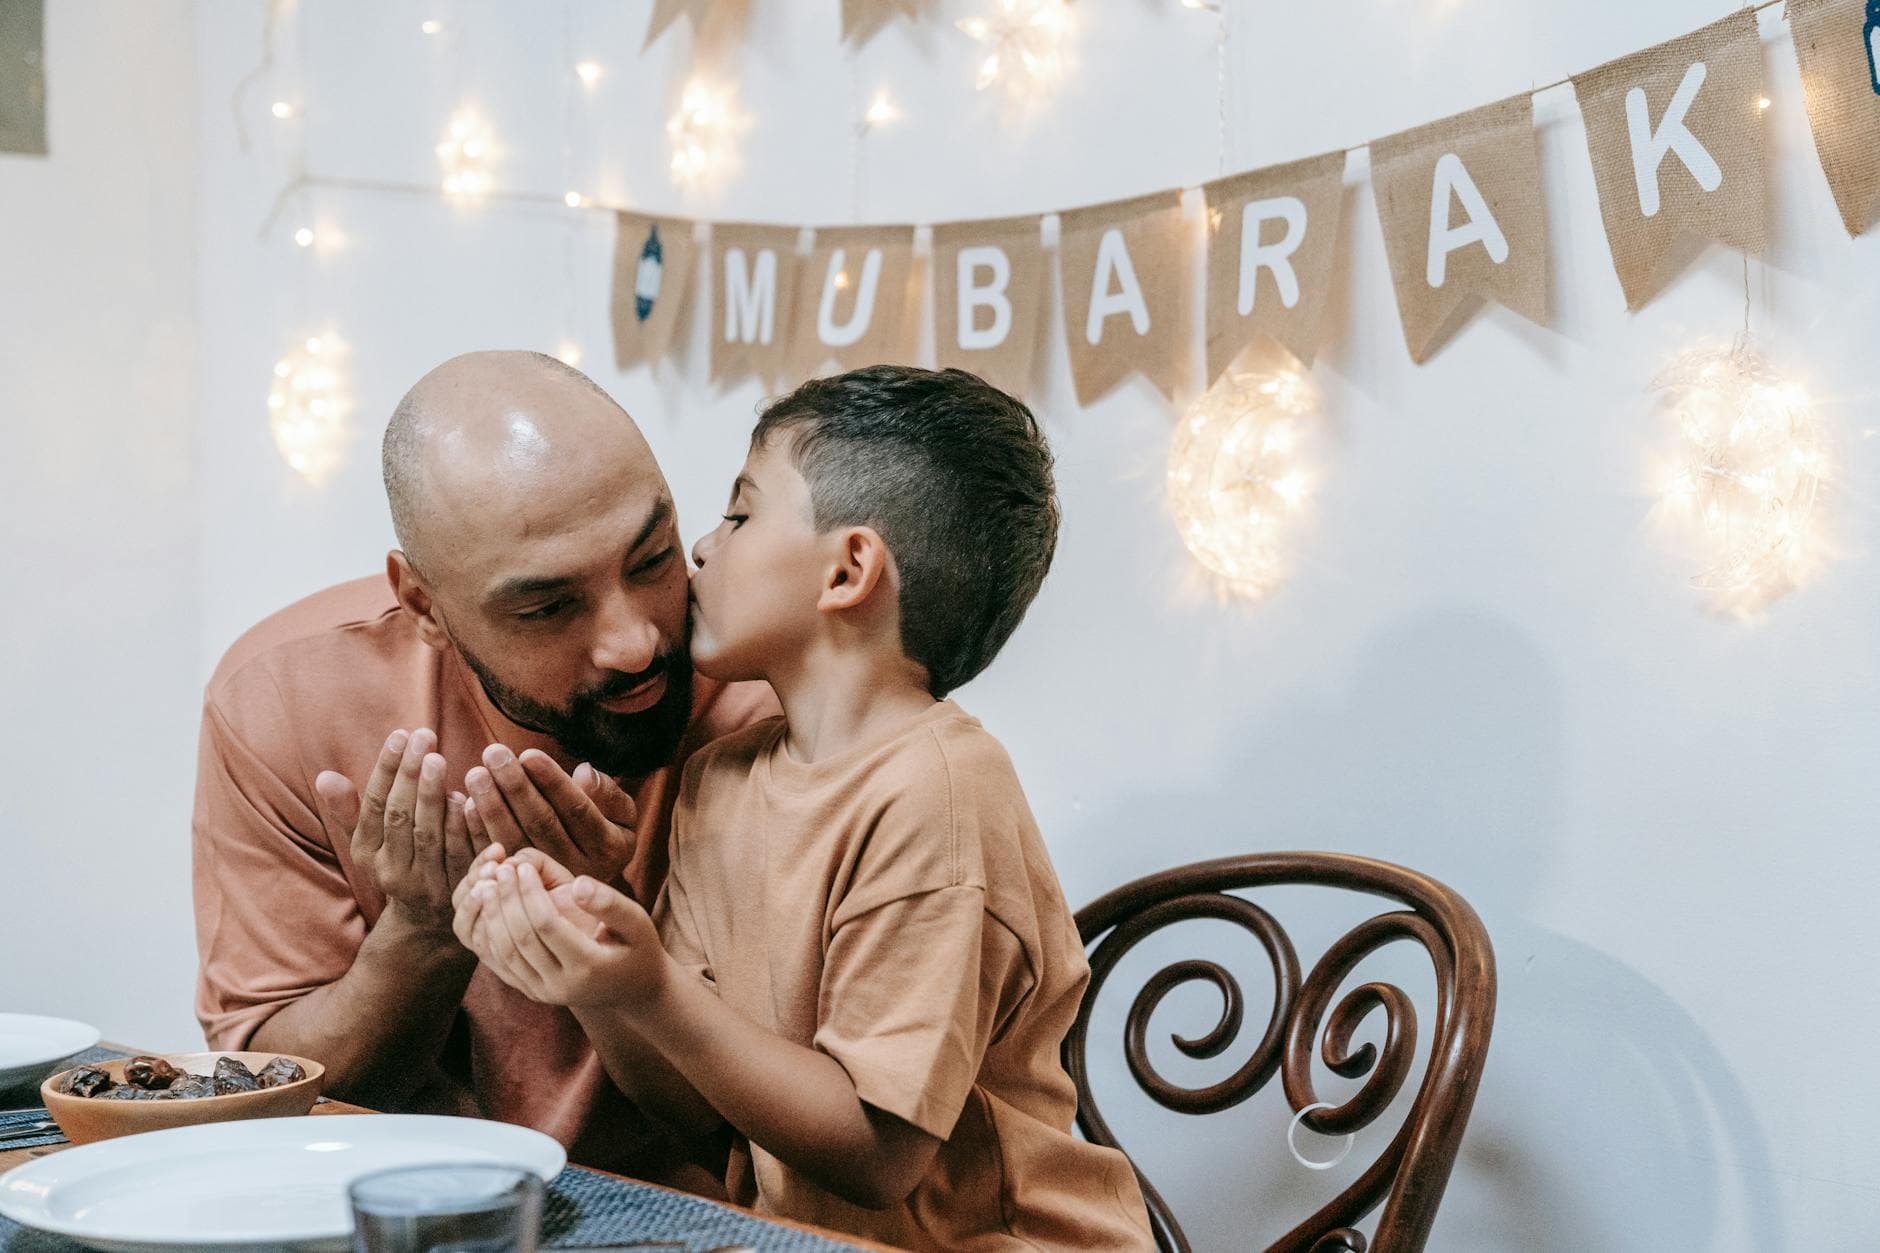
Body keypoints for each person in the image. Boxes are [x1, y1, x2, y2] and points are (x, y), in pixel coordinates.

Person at [456, 365, 1154, 1249]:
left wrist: (653, 986)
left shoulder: (936, 796)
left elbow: (876, 1155)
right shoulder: (720, 780)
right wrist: (595, 972)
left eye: (741, 513)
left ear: (849, 568)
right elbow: (690, 1107)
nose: (703, 549)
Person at [191, 350, 773, 1180]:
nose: (636, 639)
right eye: (548, 606)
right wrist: (423, 931)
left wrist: (589, 929)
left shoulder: (767, 692)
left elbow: (773, 1133)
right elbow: (269, 1094)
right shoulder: (285, 700)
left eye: (652, 559)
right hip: (381, 1206)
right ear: (423, 603)